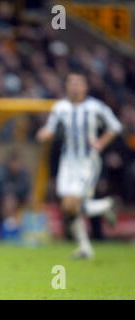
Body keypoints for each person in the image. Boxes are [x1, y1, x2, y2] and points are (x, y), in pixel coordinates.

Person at [36, 72, 122, 259]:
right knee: (67, 207)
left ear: (85, 87)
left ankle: (104, 208)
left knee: (72, 203)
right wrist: (45, 133)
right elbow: (50, 128)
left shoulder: (95, 107)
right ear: (67, 86)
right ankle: (88, 241)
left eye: (78, 83)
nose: (74, 87)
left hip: (87, 161)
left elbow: (115, 126)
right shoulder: (60, 107)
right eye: (71, 83)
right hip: (68, 162)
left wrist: (101, 143)